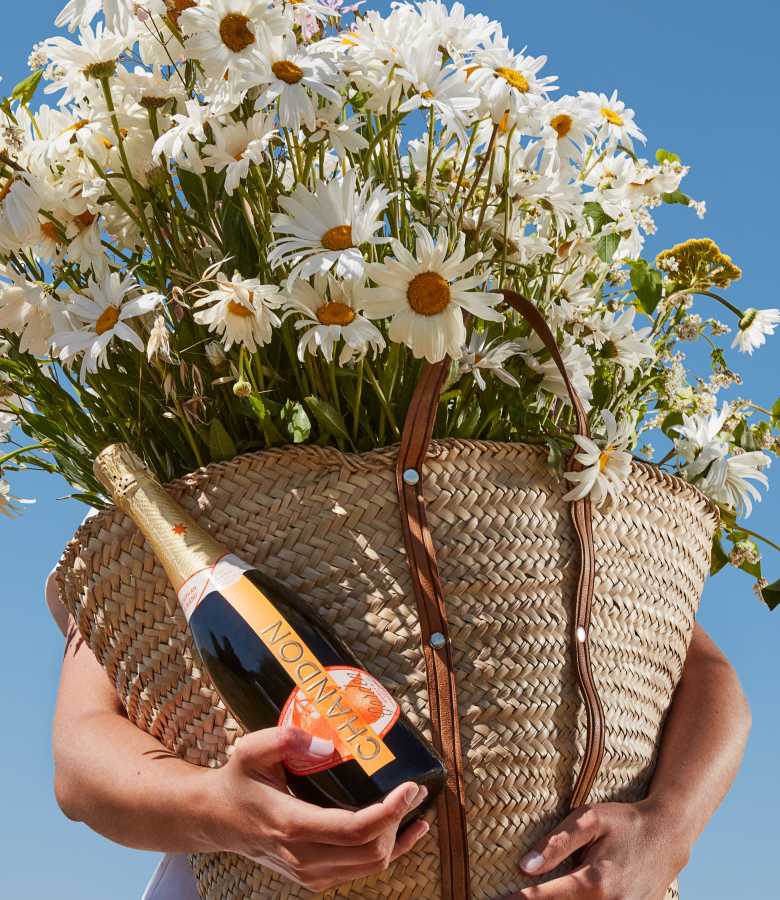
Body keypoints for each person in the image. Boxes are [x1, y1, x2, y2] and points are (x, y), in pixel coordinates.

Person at [48, 563, 750, 899]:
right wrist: (223, 815)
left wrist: (667, 831)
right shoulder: (176, 476)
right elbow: (81, 754)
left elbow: (707, 674)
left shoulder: (519, 460)